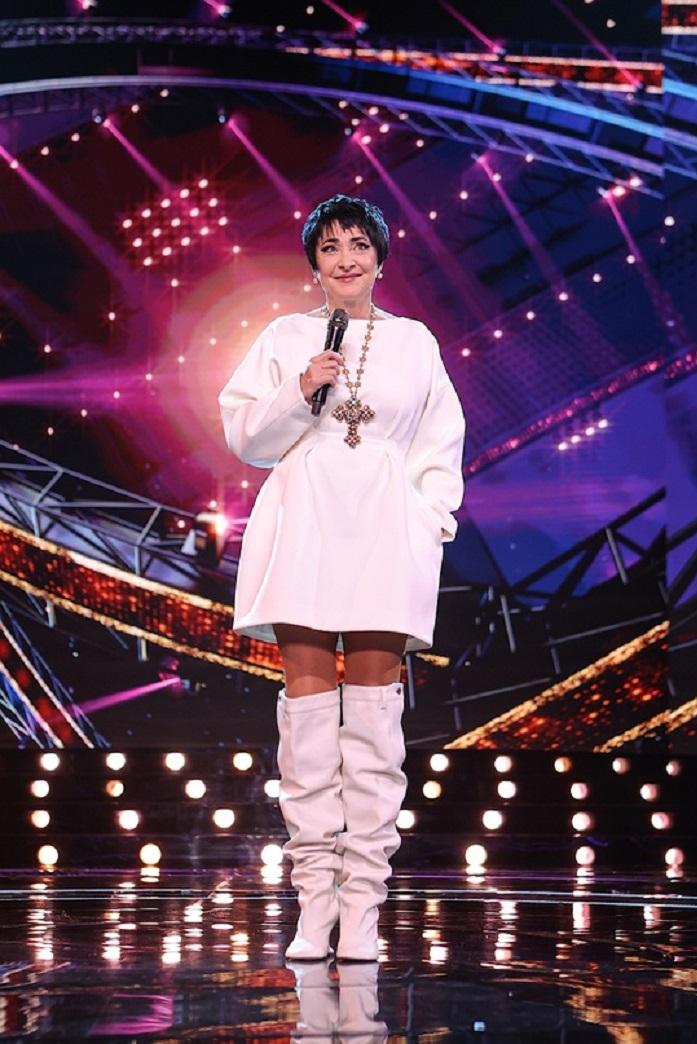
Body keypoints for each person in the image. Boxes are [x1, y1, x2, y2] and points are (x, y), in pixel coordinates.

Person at [218, 194, 466, 961]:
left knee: (375, 727)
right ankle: (313, 903)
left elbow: (440, 443)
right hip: (305, 528)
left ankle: (363, 908)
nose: (346, 258)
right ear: (314, 264)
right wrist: (300, 388)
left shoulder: (416, 342)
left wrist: (429, 524)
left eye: (359, 244)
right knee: (308, 727)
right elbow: (246, 437)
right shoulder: (286, 336)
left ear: (381, 257)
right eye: (330, 248)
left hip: (385, 533)